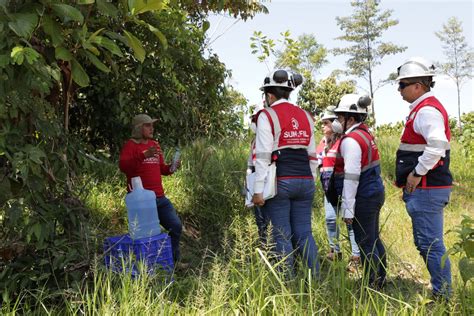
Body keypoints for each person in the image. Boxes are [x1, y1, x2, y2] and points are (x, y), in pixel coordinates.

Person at [251, 69, 319, 276]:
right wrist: (311, 183)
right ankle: (314, 279)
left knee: (281, 235)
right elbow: (313, 155)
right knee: (304, 233)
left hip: (280, 180)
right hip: (305, 180)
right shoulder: (306, 116)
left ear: (269, 95)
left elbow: (262, 155)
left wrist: (258, 189)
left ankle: (287, 283)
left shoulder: (267, 115)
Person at [395, 57, 452, 298]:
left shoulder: (427, 110)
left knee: (430, 243)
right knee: (425, 242)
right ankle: (441, 289)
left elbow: (437, 145)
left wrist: (417, 173)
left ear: (418, 86)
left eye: (403, 85)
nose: (399, 90)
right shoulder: (421, 109)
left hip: (428, 188)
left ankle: (443, 295)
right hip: (424, 189)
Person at [332, 94, 387, 288]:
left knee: (365, 241)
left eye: (340, 118)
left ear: (351, 118)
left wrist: (348, 209)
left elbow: (351, 177)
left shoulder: (351, 140)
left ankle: (372, 282)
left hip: (363, 195)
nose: (337, 122)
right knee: (373, 238)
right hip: (374, 192)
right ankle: (380, 277)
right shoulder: (366, 135)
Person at [119, 114, 183, 263]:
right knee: (147, 236)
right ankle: (150, 267)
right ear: (138, 128)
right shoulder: (131, 145)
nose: (151, 128)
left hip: (160, 198)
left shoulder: (155, 145)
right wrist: (143, 155)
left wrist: (172, 168)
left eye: (152, 125)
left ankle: (174, 262)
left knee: (176, 226)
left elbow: (162, 169)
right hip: (142, 202)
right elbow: (124, 167)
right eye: (148, 125)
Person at [317, 107, 361, 267]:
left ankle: (356, 256)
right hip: (329, 188)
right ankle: (334, 251)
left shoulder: (344, 141)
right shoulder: (322, 143)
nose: (323, 126)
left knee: (348, 220)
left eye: (326, 123)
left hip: (342, 186)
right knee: (330, 219)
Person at [246, 108, 267, 244]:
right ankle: (264, 245)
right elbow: (250, 163)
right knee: (259, 216)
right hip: (255, 179)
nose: (254, 123)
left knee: (269, 216)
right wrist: (247, 183)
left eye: (257, 119)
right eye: (253, 120)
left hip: (268, 180)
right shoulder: (254, 141)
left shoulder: (270, 137)